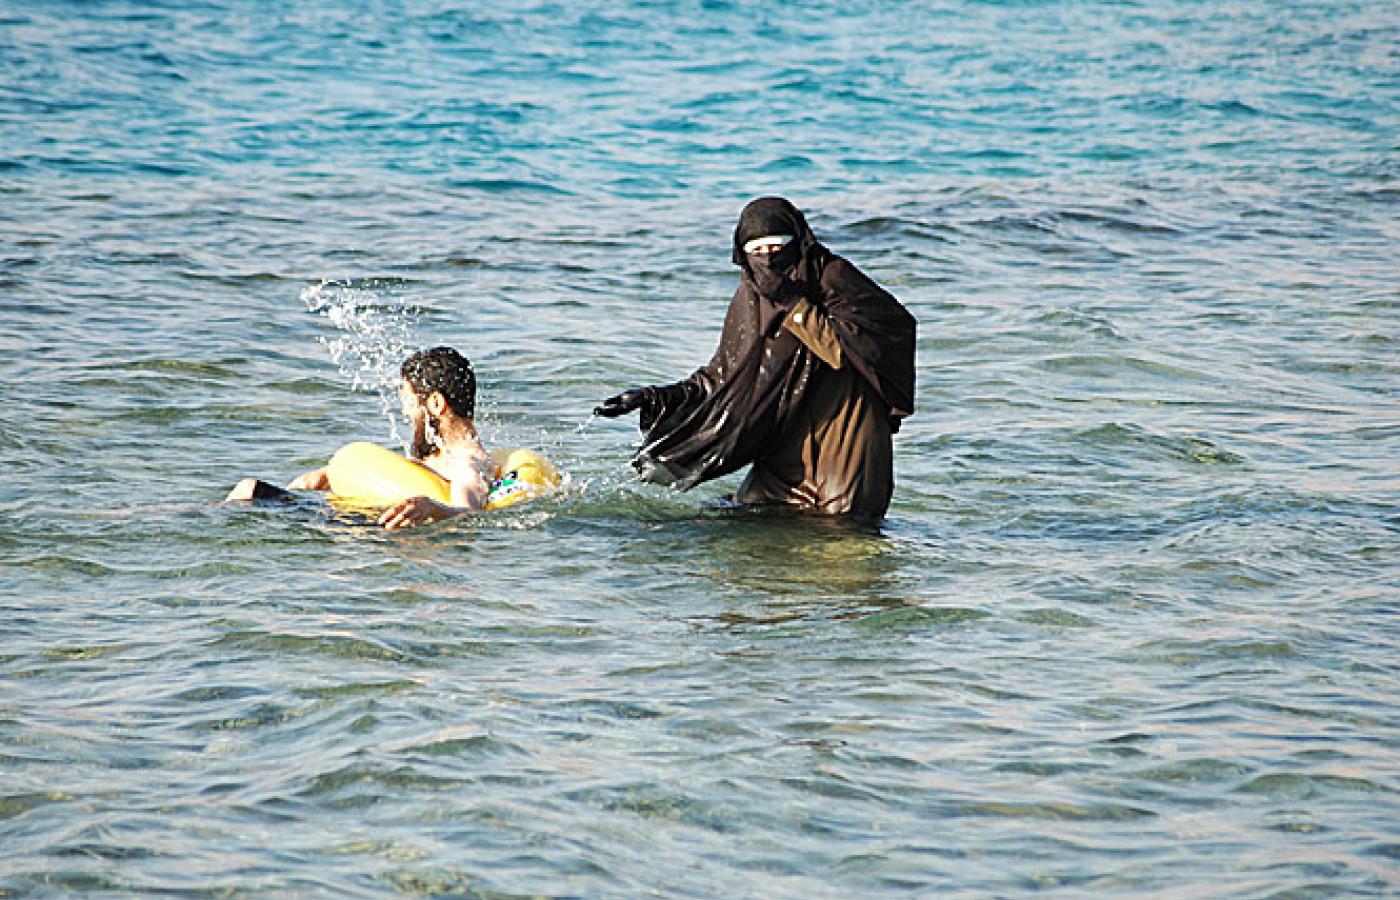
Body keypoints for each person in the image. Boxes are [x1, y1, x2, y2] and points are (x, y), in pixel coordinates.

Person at [595, 197, 916, 523]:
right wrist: (655, 397)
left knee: (840, 535)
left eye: (778, 247)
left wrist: (793, 304)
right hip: (783, 448)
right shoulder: (752, 294)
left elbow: (847, 352)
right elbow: (723, 377)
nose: (768, 259)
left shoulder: (832, 277)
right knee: (727, 527)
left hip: (842, 444)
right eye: (757, 250)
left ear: (798, 242)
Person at [226, 346, 495, 530]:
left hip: (374, 528)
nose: (405, 413)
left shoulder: (467, 463)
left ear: (436, 403)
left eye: (410, 402)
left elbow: (468, 514)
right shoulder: (441, 455)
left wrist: (430, 506)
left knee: (249, 489)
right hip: (360, 516)